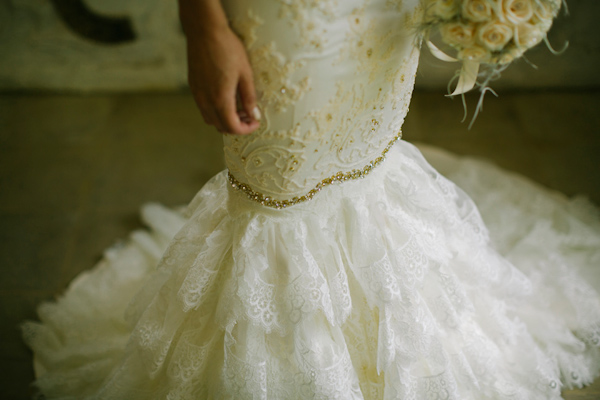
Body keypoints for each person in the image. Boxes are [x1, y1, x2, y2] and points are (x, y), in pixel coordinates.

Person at [23, 0, 600, 398]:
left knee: (367, 163)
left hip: (384, 14)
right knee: (279, 194)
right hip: (289, 18)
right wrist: (203, 25)